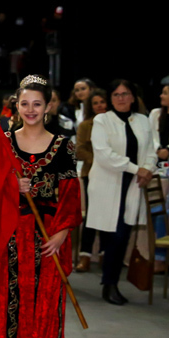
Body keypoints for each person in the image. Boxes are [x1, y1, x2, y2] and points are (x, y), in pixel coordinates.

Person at [0, 76, 80, 338]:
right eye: (24, 103)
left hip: (47, 236)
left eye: (37, 103)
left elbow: (71, 195)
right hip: (11, 234)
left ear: (48, 106)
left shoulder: (63, 146)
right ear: (16, 105)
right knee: (8, 300)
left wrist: (62, 233)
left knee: (45, 302)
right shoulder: (4, 142)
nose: (30, 109)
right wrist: (11, 185)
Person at [87, 78, 156, 305]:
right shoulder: (102, 120)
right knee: (114, 235)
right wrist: (138, 169)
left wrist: (148, 168)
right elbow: (103, 154)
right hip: (109, 183)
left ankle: (112, 282)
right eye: (116, 94)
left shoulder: (143, 120)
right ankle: (109, 284)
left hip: (133, 185)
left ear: (133, 97)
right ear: (110, 98)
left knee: (123, 234)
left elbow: (151, 150)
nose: (121, 98)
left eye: (125, 94)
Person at [74, 88, 109, 272]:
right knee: (92, 215)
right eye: (95, 103)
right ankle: (85, 255)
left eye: (102, 102)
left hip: (113, 175)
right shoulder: (85, 125)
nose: (99, 106)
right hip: (91, 174)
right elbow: (79, 150)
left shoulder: (115, 124)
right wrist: (100, 161)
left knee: (108, 215)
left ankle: (105, 254)